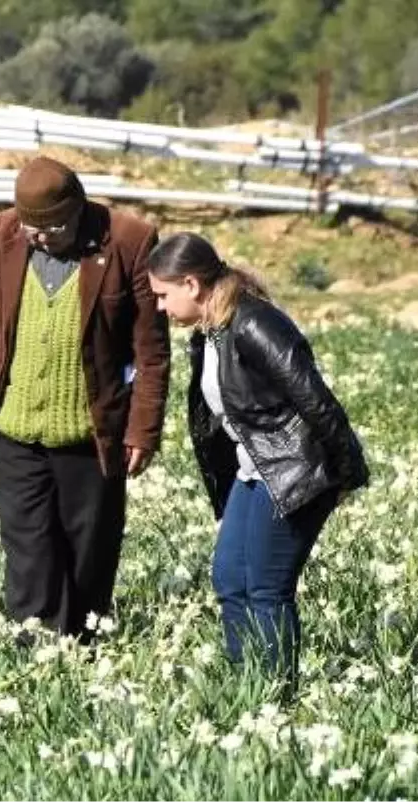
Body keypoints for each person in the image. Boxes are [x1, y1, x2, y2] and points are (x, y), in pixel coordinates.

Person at [0, 156, 170, 639]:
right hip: (16, 428)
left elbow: (151, 351)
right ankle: (37, 648)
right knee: (28, 548)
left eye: (52, 228)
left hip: (91, 431)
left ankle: (83, 642)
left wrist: (143, 430)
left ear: (78, 209)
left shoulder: (129, 241)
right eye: (31, 228)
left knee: (88, 550)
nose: (39, 238)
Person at [146, 231, 368, 687]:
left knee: (267, 587)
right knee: (230, 579)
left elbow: (314, 398)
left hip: (293, 469)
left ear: (191, 284)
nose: (160, 308)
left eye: (163, 295)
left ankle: (275, 693)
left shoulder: (253, 323)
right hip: (256, 470)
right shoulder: (209, 333)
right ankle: (242, 685)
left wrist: (347, 472)